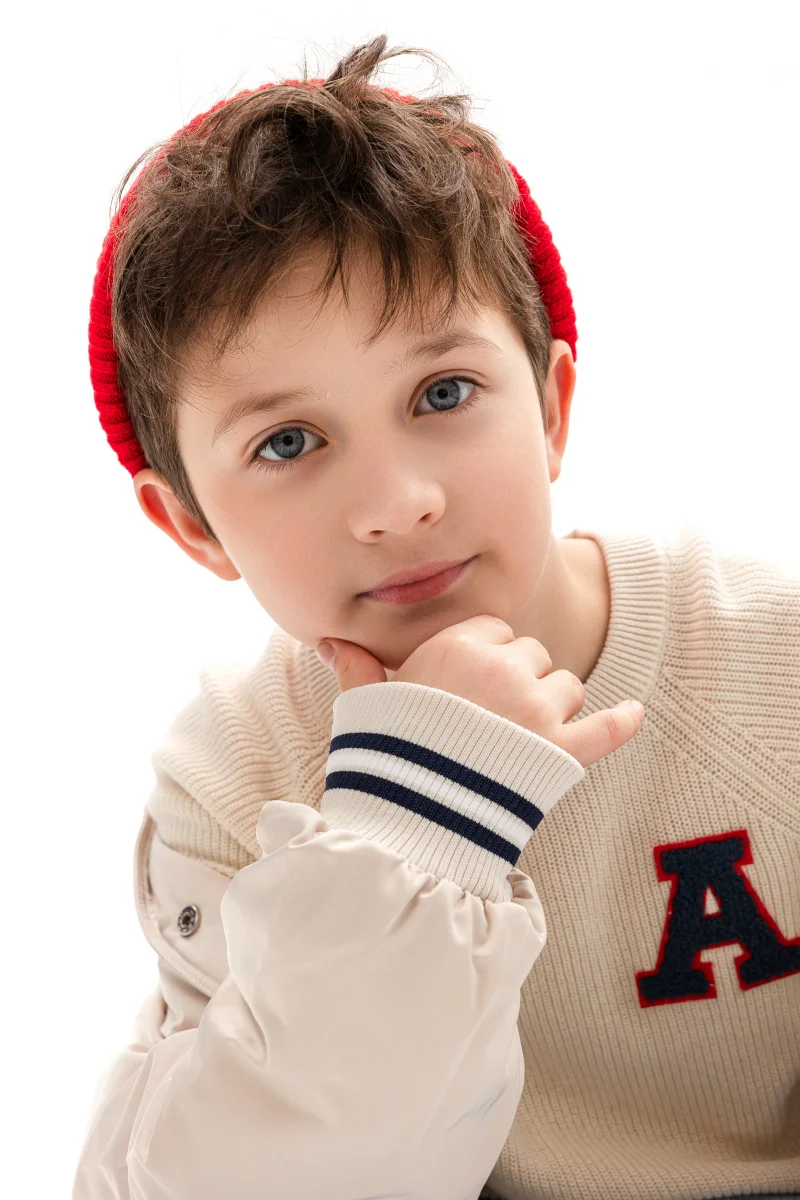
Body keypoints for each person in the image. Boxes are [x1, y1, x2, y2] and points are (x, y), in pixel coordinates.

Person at [73, 34, 800, 1200]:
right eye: (288, 442)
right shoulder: (234, 777)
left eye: (443, 393)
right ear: (190, 524)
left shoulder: (771, 663)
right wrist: (414, 825)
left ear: (550, 407)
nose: (397, 502)